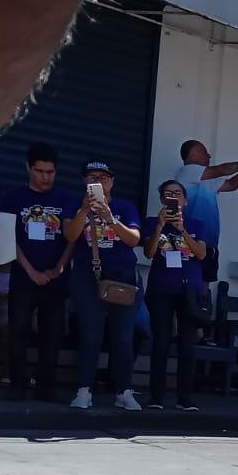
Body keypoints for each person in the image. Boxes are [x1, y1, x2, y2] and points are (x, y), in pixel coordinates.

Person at [62, 160, 142, 411]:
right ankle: (84, 389)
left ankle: (124, 391)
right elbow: (70, 235)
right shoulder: (75, 205)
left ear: (112, 182)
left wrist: (109, 217)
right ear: (84, 181)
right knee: (90, 335)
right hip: (87, 276)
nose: (98, 182)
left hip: (122, 277)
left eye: (104, 178)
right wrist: (84, 211)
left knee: (123, 337)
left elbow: (134, 240)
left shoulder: (125, 207)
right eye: (92, 177)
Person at [2, 143, 77, 401]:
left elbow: (71, 237)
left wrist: (59, 267)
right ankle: (17, 384)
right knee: (18, 331)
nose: (45, 177)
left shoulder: (66, 198)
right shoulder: (13, 198)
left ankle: (45, 386)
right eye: (40, 171)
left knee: (52, 334)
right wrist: (31, 271)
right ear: (28, 167)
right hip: (23, 276)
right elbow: (8, 238)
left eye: (50, 172)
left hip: (56, 278)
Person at [142, 178, 208, 412]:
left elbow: (201, 254)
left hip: (188, 289)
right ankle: (156, 397)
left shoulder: (197, 224)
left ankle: (185, 398)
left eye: (178, 193)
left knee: (187, 345)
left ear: (185, 201)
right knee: (161, 342)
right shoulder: (152, 222)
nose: (173, 197)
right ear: (162, 199)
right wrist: (160, 226)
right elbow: (149, 253)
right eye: (168, 193)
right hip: (161, 288)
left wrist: (183, 230)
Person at [171, 140, 238, 283]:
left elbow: (232, 185)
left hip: (209, 242)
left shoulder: (207, 179)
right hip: (190, 240)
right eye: (205, 152)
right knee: (185, 285)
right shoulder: (186, 172)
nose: (209, 155)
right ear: (193, 154)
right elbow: (221, 170)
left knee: (203, 288)